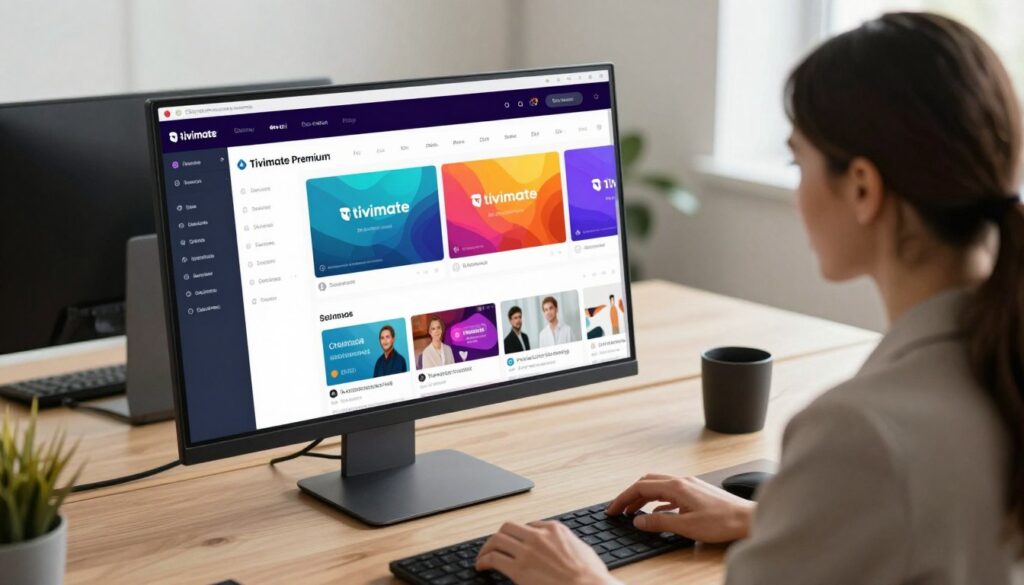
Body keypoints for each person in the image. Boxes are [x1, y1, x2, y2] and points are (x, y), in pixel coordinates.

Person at [476, 12, 1024, 584]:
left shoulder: (860, 434)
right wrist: (778, 520)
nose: (796, 191)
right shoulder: (999, 367)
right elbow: (930, 529)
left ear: (862, 188)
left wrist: (582, 580)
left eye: (798, 162)